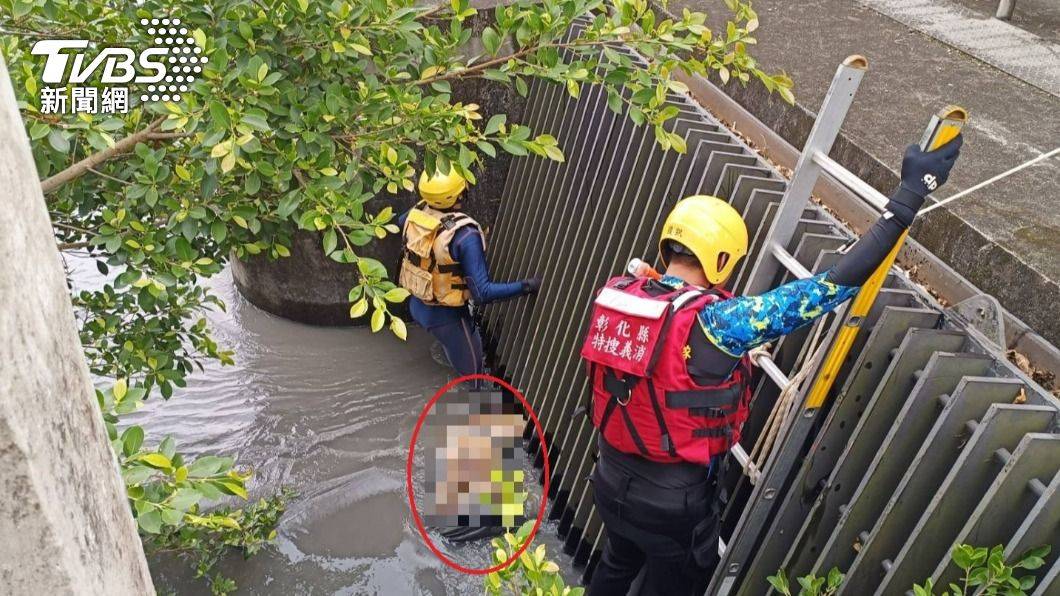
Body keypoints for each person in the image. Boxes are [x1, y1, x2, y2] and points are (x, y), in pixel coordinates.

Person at [580, 137, 963, 595]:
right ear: (722, 261)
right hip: (672, 502)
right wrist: (907, 199)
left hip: (609, 475)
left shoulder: (618, 292)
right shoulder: (721, 323)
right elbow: (832, 284)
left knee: (615, 564)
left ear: (668, 245)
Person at [398, 166, 541, 377]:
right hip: (447, 319)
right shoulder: (465, 236)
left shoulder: (414, 214)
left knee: (451, 348)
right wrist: (527, 286)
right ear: (460, 194)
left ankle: (450, 350)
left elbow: (404, 229)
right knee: (475, 379)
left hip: (417, 305)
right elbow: (482, 293)